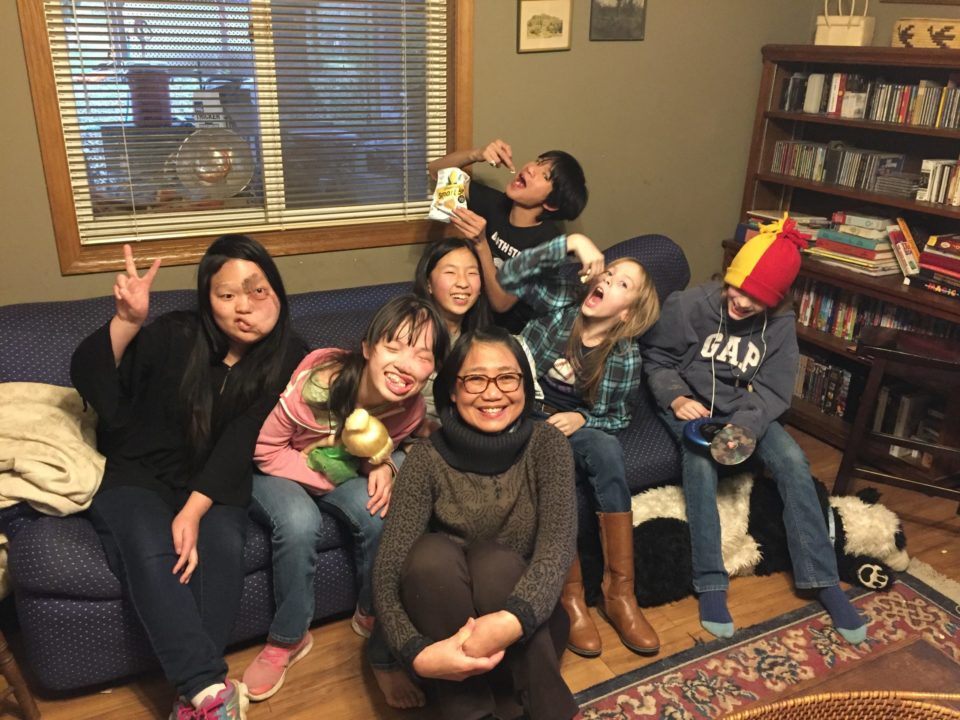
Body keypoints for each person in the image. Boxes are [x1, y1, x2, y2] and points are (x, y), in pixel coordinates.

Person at [73, 235, 306, 720]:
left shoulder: (290, 355)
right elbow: (96, 386)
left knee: (220, 550)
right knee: (151, 546)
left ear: (278, 292)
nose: (243, 307)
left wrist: (195, 509)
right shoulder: (176, 333)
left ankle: (195, 699)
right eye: (226, 295)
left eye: (257, 290)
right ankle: (208, 690)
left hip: (216, 481)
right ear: (207, 300)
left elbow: (244, 436)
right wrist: (127, 322)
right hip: (138, 472)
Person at [641, 216, 867, 644]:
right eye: (740, 289)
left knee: (794, 462)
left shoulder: (780, 325)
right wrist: (675, 397)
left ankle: (822, 579)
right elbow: (656, 358)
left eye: (758, 299)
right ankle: (710, 581)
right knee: (700, 464)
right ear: (730, 276)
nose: (743, 303)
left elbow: (773, 389)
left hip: (749, 413)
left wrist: (743, 428)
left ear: (776, 299)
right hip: (693, 407)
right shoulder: (689, 306)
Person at [242, 294, 447, 704]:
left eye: (423, 356)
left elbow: (394, 444)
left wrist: (384, 465)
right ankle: (288, 638)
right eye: (394, 347)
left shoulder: (408, 406)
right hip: (276, 466)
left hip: (341, 467)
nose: (407, 365)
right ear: (369, 348)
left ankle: (372, 612)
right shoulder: (320, 385)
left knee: (379, 513)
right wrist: (329, 476)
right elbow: (265, 450)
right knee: (299, 522)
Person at [373, 327, 579, 720]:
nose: (492, 392)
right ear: (452, 389)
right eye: (475, 379)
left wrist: (511, 619)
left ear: (525, 385)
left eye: (506, 377)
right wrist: (416, 654)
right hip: (451, 649)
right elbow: (387, 571)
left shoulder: (548, 445)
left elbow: (557, 548)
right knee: (429, 554)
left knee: (493, 562)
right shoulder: (425, 459)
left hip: (528, 634)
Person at [496, 232, 662, 658]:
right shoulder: (560, 307)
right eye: (609, 273)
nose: (608, 280)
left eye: (623, 284)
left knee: (606, 449)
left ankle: (619, 593)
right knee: (555, 462)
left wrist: (583, 418)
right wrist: (572, 242)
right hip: (524, 414)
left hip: (575, 422)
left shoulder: (624, 356)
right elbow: (509, 275)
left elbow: (619, 416)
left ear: (627, 313)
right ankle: (570, 596)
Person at [429, 138, 588, 331]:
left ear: (551, 204)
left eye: (545, 175)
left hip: (506, 334)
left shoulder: (546, 243)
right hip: (469, 315)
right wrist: (477, 154)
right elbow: (436, 172)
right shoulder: (498, 204)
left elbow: (501, 303)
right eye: (538, 162)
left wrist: (481, 244)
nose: (531, 168)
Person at [412, 237, 492, 427]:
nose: (463, 283)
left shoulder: (484, 340)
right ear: (428, 283)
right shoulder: (409, 334)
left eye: (472, 273)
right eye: (450, 272)